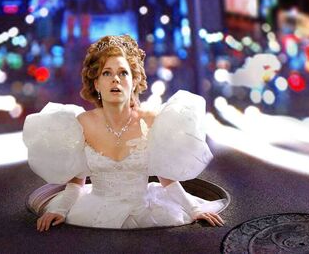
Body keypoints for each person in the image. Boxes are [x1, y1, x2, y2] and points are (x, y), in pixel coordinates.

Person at [23, 35, 227, 231]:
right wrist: (59, 210)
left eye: (123, 73)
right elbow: (76, 184)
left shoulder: (151, 120)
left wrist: (194, 209)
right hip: (95, 210)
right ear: (96, 84)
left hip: (146, 210)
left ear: (134, 81)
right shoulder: (82, 123)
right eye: (106, 73)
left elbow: (167, 179)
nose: (115, 80)